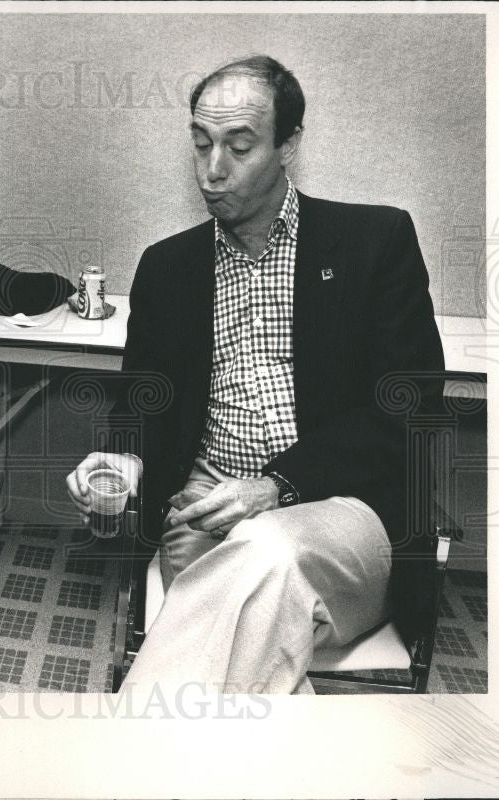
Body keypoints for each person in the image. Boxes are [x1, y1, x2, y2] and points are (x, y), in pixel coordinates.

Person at [66, 56, 444, 694]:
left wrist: (274, 488)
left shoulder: (372, 242)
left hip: (341, 512)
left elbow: (408, 409)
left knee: (265, 555)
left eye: (239, 146)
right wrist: (123, 461)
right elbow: (142, 410)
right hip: (205, 506)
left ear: (289, 144)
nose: (213, 170)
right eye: (201, 144)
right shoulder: (167, 268)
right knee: (253, 645)